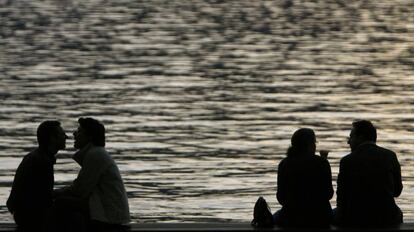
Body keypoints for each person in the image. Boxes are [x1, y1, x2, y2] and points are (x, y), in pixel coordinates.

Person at [52, 117, 130, 232]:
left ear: (89, 137)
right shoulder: (96, 153)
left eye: (79, 131)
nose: (74, 133)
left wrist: (54, 193)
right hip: (108, 210)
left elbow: (79, 190)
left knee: (61, 203)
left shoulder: (95, 155)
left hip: (109, 215)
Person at [334, 120, 403, 227]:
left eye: (351, 137)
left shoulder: (347, 161)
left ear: (360, 137)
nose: (348, 142)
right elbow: (397, 191)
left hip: (356, 218)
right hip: (386, 217)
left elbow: (341, 198)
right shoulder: (390, 156)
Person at [7, 121, 67, 231]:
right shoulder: (42, 161)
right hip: (30, 215)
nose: (66, 137)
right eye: (62, 134)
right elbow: (43, 197)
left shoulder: (36, 156)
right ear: (52, 138)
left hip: (22, 212)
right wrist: (65, 192)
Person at [274, 128, 333, 227]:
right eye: (314, 143)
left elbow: (281, 198)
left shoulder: (284, 163)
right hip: (320, 218)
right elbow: (329, 194)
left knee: (274, 216)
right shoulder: (322, 163)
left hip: (291, 218)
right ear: (310, 145)